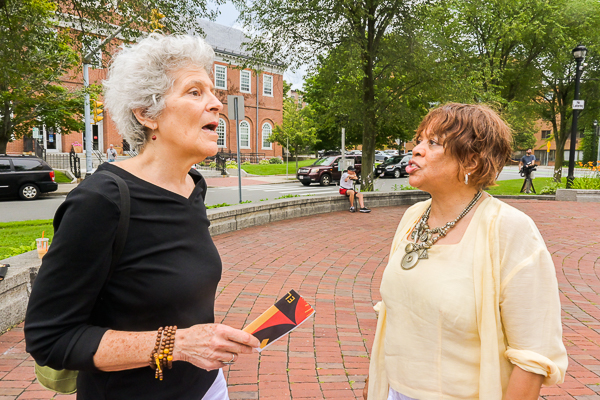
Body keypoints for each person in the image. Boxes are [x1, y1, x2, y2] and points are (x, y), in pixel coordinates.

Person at [24, 34, 260, 400]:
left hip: (208, 387)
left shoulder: (192, 186)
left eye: (212, 92)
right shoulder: (101, 201)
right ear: (146, 113)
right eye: (195, 92)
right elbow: (50, 338)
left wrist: (203, 349)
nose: (216, 104)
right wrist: (178, 344)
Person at [364, 103, 567, 400]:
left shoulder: (510, 230)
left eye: (432, 143)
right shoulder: (412, 217)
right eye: (419, 139)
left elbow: (532, 357)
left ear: (471, 161)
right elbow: (393, 317)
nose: (416, 149)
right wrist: (375, 385)